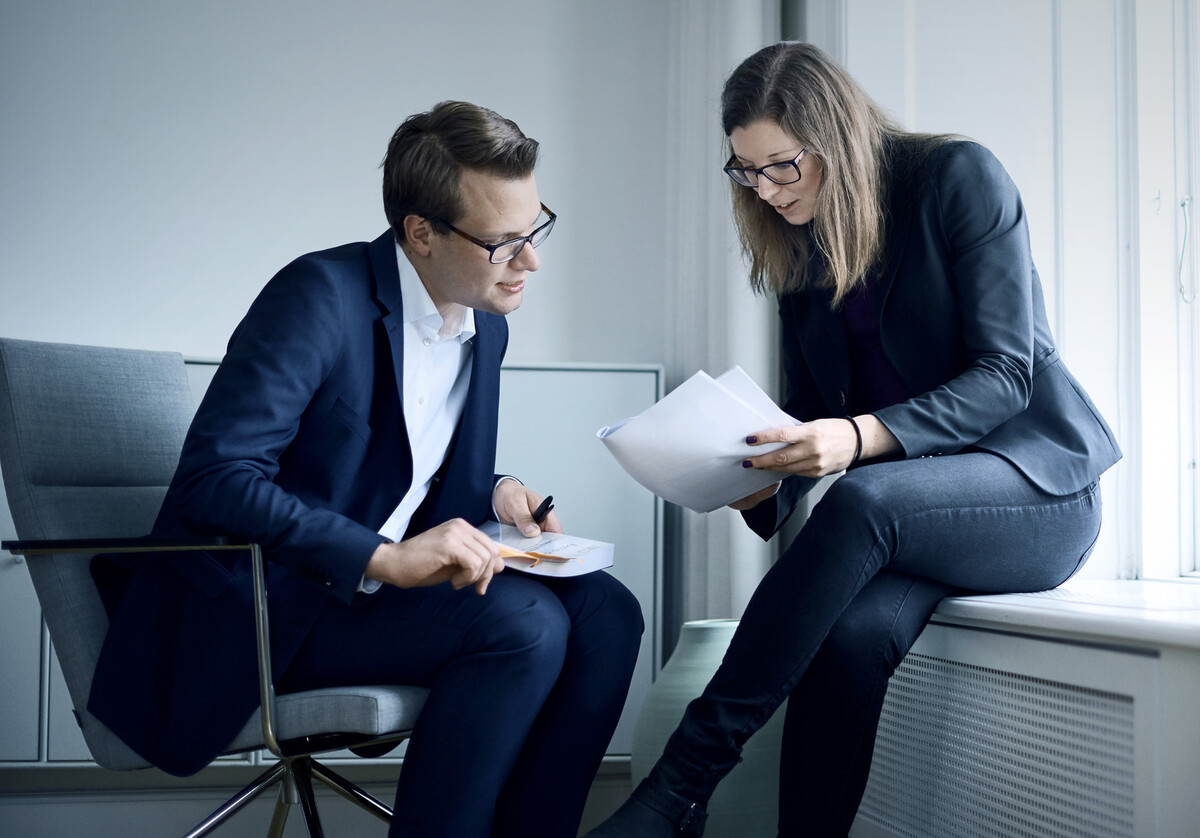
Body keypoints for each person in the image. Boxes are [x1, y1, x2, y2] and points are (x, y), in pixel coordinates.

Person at [585, 42, 1121, 838]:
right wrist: (759, 474)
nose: (765, 190)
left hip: (1036, 492)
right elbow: (811, 410)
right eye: (745, 170)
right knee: (847, 639)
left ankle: (675, 792)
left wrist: (860, 436)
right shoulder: (797, 242)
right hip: (913, 512)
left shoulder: (957, 178)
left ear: (833, 137)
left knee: (866, 494)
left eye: (782, 165)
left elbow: (1007, 372)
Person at [88, 100, 643, 838]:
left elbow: (395, 470)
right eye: (503, 241)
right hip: (271, 605)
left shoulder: (487, 321)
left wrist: (498, 488)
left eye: (535, 228)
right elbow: (217, 477)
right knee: (522, 623)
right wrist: (384, 558)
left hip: (366, 596)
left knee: (609, 613)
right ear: (421, 232)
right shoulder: (318, 297)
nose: (531, 260)